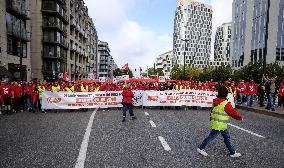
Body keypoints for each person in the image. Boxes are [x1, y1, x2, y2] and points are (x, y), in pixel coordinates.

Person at [197, 85, 243, 158]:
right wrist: (240, 118)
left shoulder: (215, 101)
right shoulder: (225, 103)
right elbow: (233, 113)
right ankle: (200, 148)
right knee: (211, 137)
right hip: (220, 125)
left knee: (226, 137)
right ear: (226, 94)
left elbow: (212, 111)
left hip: (219, 124)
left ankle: (232, 152)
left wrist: (211, 119)